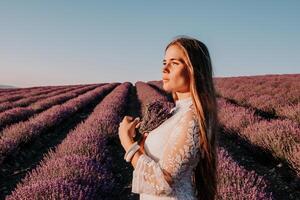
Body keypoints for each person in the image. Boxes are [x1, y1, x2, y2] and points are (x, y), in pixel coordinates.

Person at [118, 35, 219, 200]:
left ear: (195, 69)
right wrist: (138, 143)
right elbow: (156, 166)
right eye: (164, 63)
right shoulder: (176, 113)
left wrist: (127, 143)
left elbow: (163, 181)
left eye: (175, 63)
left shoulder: (192, 117)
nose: (164, 69)